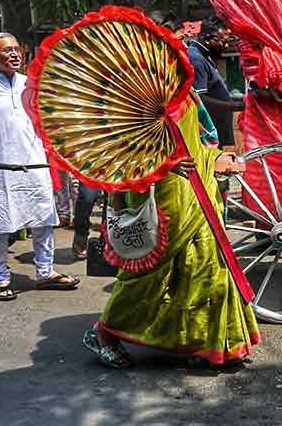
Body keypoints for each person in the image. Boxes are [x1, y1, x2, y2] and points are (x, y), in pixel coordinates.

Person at [82, 99, 259, 368]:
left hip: (199, 190)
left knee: (205, 264)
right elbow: (125, 152)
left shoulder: (186, 91)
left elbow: (196, 142)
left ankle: (201, 341)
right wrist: (165, 164)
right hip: (161, 197)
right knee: (150, 272)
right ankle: (103, 332)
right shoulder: (142, 94)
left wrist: (214, 158)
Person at [0, 32, 80, 301]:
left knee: (44, 222)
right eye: (6, 50)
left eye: (16, 49)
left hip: (34, 164)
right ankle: (1, 278)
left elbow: (48, 120)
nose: (14, 54)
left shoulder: (31, 84)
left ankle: (45, 273)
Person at [187, 19, 243, 149]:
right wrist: (234, 105)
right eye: (221, 41)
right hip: (210, 133)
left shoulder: (205, 56)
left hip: (219, 128)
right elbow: (200, 99)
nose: (226, 46)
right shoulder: (196, 59)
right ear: (208, 39)